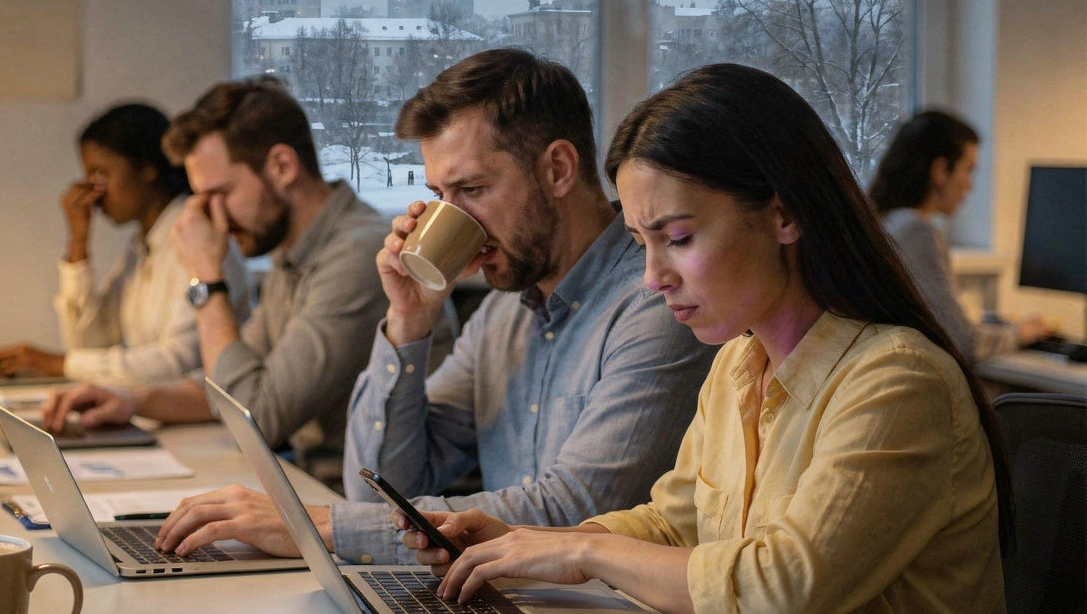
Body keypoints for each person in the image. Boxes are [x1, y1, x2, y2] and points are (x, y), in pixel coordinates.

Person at [403, 64, 1009, 613]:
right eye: (642, 245)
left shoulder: (898, 381)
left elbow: (785, 588)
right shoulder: (738, 365)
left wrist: (586, 555)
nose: (653, 279)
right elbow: (673, 525)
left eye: (680, 239)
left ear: (784, 215)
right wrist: (530, 544)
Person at [154, 48, 715, 564]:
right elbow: (379, 482)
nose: (452, 220)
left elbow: (575, 513)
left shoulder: (659, 301)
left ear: (559, 169)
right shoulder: (504, 313)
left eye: (471, 190)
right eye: (440, 196)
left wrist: (313, 527)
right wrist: (407, 321)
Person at [41, 77, 443, 473]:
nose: (213, 216)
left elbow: (256, 419)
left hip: (376, 506)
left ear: (282, 166)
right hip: (314, 483)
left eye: (220, 193)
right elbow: (228, 387)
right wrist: (131, 400)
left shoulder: (358, 254)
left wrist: (207, 277)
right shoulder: (294, 253)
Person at [0, 101, 250, 384]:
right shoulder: (141, 248)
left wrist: (59, 364)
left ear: (147, 168)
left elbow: (180, 363)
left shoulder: (198, 238)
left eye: (100, 174)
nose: (91, 191)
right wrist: (78, 241)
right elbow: (88, 345)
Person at [870, 110, 1052, 360]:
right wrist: (1023, 332)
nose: (970, 185)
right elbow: (963, 342)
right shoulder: (916, 231)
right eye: (968, 170)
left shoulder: (885, 222)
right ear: (940, 170)